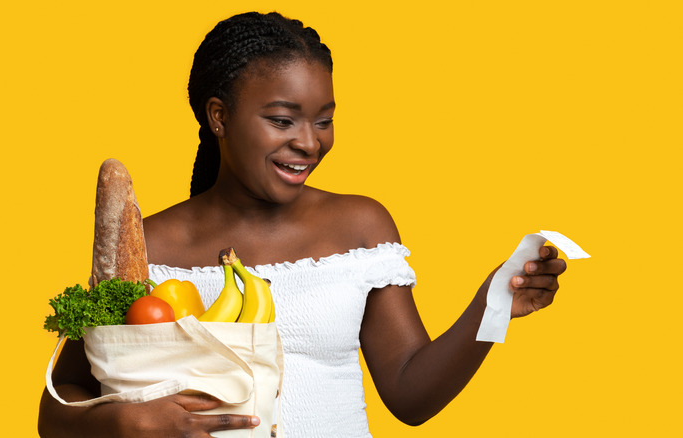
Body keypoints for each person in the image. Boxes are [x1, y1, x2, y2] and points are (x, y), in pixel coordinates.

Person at [38, 11, 567, 438]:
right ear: (218, 116)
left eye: (323, 120)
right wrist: (124, 422)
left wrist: (493, 304)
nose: (309, 143)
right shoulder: (147, 247)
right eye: (282, 120)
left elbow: (410, 396)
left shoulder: (360, 226)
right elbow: (57, 409)